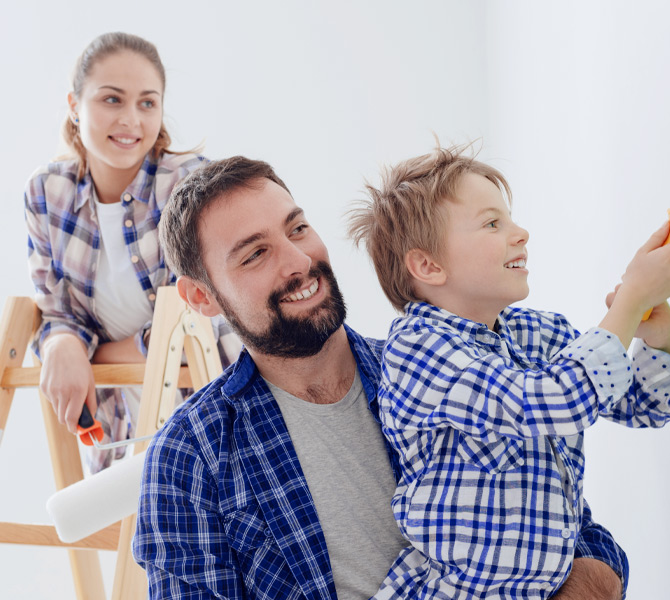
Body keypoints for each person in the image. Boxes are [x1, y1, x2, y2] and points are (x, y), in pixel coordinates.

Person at [134, 156, 632, 600]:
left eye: (298, 228)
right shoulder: (190, 454)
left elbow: (568, 524)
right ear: (203, 297)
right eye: (255, 254)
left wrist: (590, 582)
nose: (298, 260)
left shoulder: (439, 369)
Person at [345, 145, 670, 598]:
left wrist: (656, 332)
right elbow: (553, 400)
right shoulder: (418, 351)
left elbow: (643, 405)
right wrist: (632, 297)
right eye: (492, 223)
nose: (521, 234)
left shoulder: (537, 333)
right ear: (428, 266)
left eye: (510, 219)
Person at [23, 32, 239, 472]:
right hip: (120, 425)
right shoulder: (47, 192)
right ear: (73, 105)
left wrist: (89, 354)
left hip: (214, 414)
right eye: (112, 100)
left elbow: (199, 317)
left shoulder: (188, 184)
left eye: (147, 103)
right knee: (110, 527)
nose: (131, 121)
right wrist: (63, 341)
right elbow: (58, 312)